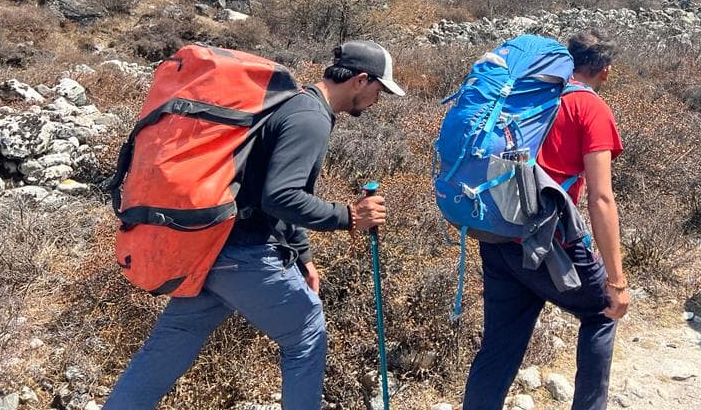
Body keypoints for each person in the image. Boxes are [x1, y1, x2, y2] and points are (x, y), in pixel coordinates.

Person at [104, 40, 406, 410]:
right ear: (361, 80)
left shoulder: (290, 104)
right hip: (245, 254)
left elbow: (264, 186)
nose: (379, 99)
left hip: (209, 248)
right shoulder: (310, 118)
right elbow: (280, 197)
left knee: (170, 342)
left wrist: (302, 255)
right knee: (306, 336)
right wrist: (349, 216)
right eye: (380, 89)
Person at [463, 30, 628, 410]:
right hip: (550, 243)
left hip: (501, 234)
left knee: (500, 345)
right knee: (601, 312)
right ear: (604, 70)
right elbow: (601, 198)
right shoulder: (591, 109)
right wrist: (617, 282)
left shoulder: (531, 97)